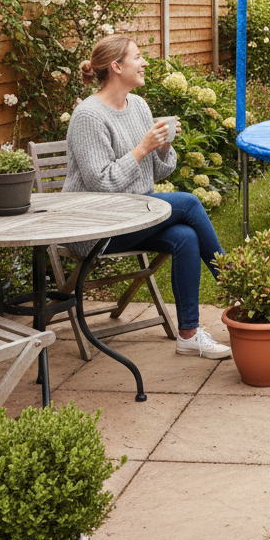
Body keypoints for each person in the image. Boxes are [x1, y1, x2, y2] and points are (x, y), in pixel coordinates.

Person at [62, 34, 231, 359]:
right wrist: (141, 149)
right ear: (116, 66)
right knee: (190, 203)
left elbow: (157, 173)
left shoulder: (138, 105)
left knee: (184, 237)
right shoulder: (88, 117)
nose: (144, 63)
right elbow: (102, 184)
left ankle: (188, 334)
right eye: (137, 57)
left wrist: (162, 145)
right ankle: (234, 284)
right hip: (96, 226)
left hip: (135, 217)